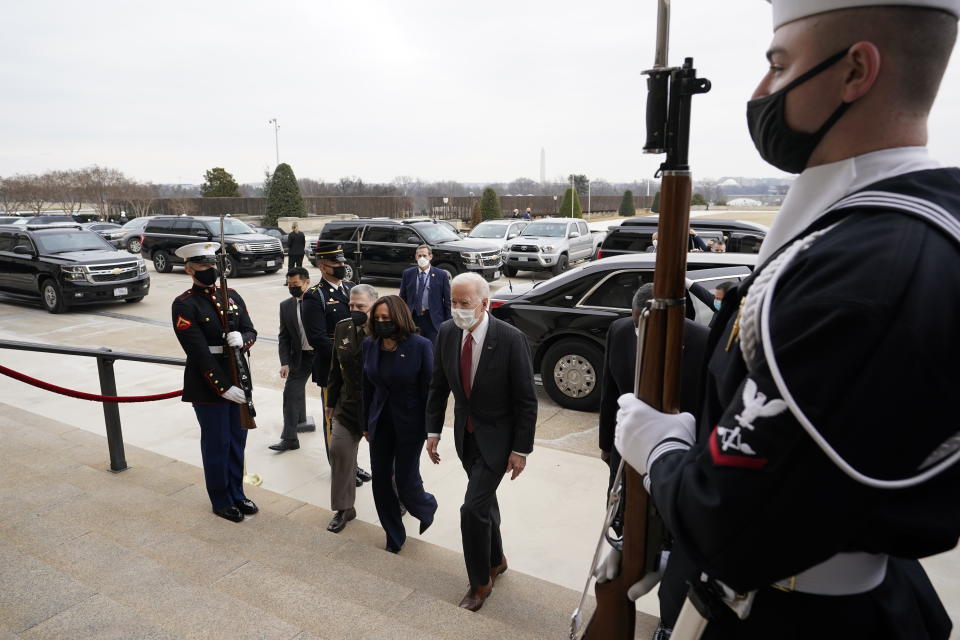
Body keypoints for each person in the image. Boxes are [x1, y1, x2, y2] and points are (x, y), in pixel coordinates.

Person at [613, 1, 960, 638]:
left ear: (856, 70)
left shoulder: (864, 272)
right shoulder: (905, 222)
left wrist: (659, 448)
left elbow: (729, 530)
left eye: (779, 65)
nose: (761, 92)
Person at [425, 273, 538, 612]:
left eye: (465, 304)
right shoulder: (446, 332)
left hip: (499, 441)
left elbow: (526, 400)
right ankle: (497, 558)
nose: (457, 310)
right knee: (485, 501)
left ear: (485, 304)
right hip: (466, 436)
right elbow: (438, 385)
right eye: (453, 303)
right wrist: (433, 432)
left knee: (472, 509)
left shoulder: (510, 339)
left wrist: (521, 450)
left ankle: (479, 583)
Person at [170, 242, 258, 523]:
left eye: (211, 266)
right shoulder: (184, 304)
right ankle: (220, 498)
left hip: (238, 375)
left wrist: (242, 340)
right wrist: (223, 388)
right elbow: (198, 353)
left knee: (237, 441)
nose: (209, 271)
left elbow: (250, 329)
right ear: (189, 270)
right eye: (202, 267)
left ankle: (237, 492)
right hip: (208, 385)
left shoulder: (232, 295)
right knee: (217, 443)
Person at [361, 295, 438, 552]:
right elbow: (367, 388)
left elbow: (430, 391)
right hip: (380, 422)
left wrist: (431, 431)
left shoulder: (420, 345)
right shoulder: (370, 345)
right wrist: (365, 422)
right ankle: (393, 535)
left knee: (405, 482)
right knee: (381, 481)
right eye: (378, 318)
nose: (382, 323)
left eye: (387, 318)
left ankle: (426, 507)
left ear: (400, 318)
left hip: (410, 423)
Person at [301, 242, 371, 484]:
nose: (342, 266)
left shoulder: (351, 288)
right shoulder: (314, 296)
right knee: (336, 420)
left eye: (343, 262)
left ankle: (354, 463)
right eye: (337, 263)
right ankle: (341, 468)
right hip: (332, 368)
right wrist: (347, 356)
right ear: (323, 267)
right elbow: (317, 338)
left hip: (356, 368)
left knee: (354, 418)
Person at [325, 284, 379, 533]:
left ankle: (398, 498)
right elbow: (336, 369)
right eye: (351, 305)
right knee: (339, 451)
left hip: (378, 409)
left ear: (374, 307)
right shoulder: (342, 327)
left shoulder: (385, 330)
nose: (354, 310)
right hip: (347, 406)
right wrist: (330, 402)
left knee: (386, 461)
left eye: (361, 306)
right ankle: (344, 507)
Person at [269, 266, 314, 452]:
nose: (292, 287)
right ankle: (290, 438)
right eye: (289, 284)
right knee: (290, 394)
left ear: (307, 282)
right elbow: (284, 337)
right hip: (300, 357)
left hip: (323, 356)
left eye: (295, 284)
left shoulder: (320, 300)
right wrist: (285, 362)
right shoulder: (285, 306)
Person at [398, 245, 451, 342]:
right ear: (415, 257)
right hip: (413, 318)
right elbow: (402, 297)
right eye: (419, 256)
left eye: (424, 255)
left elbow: (447, 301)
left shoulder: (441, 275)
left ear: (430, 257)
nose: (422, 258)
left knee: (431, 349)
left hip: (433, 319)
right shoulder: (408, 273)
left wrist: (448, 323)